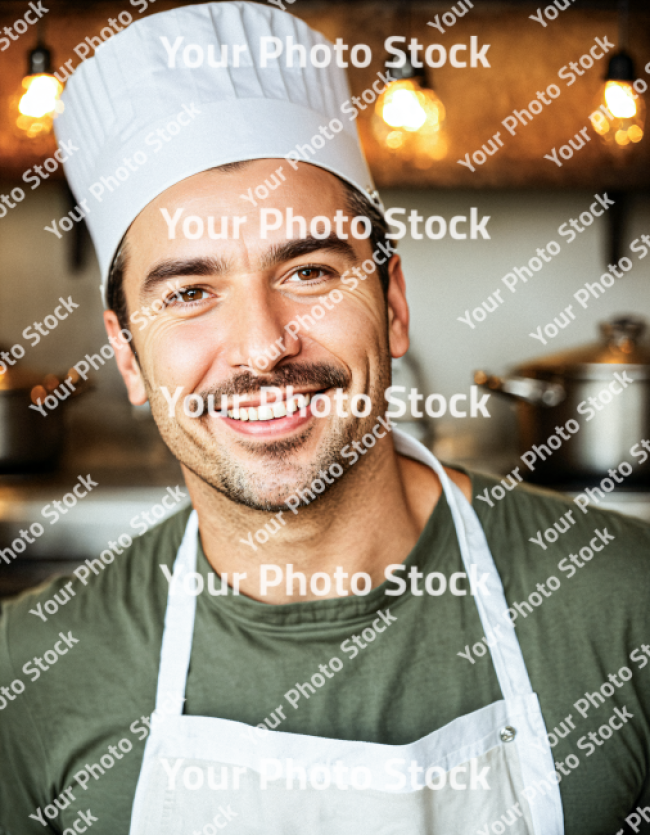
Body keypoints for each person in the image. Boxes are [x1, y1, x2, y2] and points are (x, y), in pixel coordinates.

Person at [1, 3, 649, 834]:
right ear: (128, 357)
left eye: (309, 270)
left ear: (394, 301)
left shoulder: (624, 602)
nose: (263, 347)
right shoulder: (32, 670)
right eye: (191, 292)